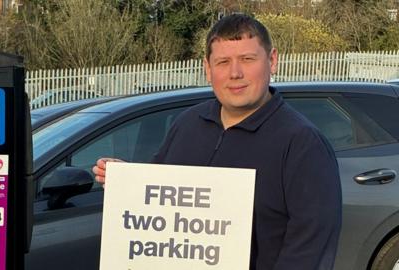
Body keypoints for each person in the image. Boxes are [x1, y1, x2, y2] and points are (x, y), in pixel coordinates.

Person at [93, 14, 341, 270]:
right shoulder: (187, 123)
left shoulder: (303, 143)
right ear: (208, 69)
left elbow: (310, 249)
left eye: (247, 59)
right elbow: (161, 200)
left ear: (272, 60)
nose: (235, 73)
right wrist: (128, 182)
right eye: (223, 62)